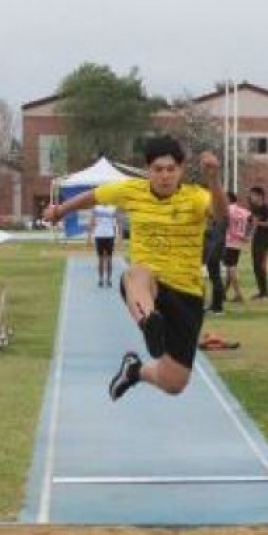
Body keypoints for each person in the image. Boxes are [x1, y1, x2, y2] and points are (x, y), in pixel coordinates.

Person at [44, 136, 225, 400]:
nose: (165, 176)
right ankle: (149, 322)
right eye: (158, 169)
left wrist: (214, 180)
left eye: (171, 169)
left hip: (187, 294)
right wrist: (60, 211)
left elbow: (220, 214)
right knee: (137, 273)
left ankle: (135, 371)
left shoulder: (196, 197)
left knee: (174, 383)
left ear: (181, 170)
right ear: (147, 170)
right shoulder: (131, 190)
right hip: (148, 286)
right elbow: (93, 196)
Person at [222, 191, 251, 304]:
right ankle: (223, 293)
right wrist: (246, 235)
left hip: (229, 241)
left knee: (231, 268)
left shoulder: (227, 210)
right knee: (230, 267)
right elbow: (251, 220)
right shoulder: (243, 211)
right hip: (238, 242)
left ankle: (238, 294)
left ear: (228, 199)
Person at [247, 185, 268, 299]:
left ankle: (264, 293)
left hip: (264, 240)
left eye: (253, 195)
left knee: (260, 265)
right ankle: (261, 291)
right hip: (256, 239)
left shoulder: (265, 208)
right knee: (255, 266)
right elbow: (251, 223)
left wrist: (258, 223)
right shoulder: (254, 209)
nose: (251, 197)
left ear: (260, 196)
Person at [203, 195, 227, 315]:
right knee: (214, 278)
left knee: (216, 278)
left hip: (214, 251)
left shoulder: (219, 218)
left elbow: (214, 236)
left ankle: (217, 307)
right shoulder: (219, 218)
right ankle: (214, 305)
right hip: (214, 250)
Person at [88, 201, 119, 288]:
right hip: (99, 235)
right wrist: (89, 236)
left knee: (109, 259)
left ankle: (109, 279)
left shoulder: (113, 207)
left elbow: (117, 221)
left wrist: (118, 236)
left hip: (110, 236)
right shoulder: (96, 207)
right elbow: (92, 221)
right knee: (100, 259)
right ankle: (101, 279)